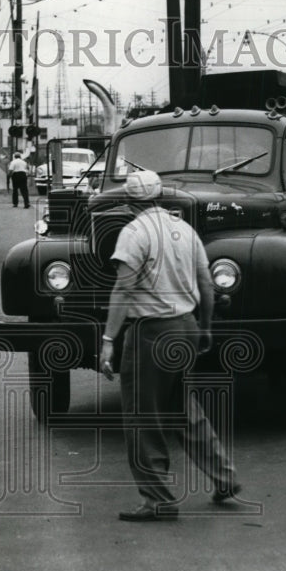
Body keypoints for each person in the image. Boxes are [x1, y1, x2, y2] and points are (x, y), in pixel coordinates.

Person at [98, 170, 240, 521]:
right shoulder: (184, 230)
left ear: (128, 203)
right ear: (160, 196)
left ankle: (158, 499)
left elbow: (123, 289)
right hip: (186, 327)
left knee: (141, 415)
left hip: (151, 333)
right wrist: (204, 327)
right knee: (183, 410)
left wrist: (108, 340)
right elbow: (206, 284)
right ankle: (224, 476)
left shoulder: (133, 234)